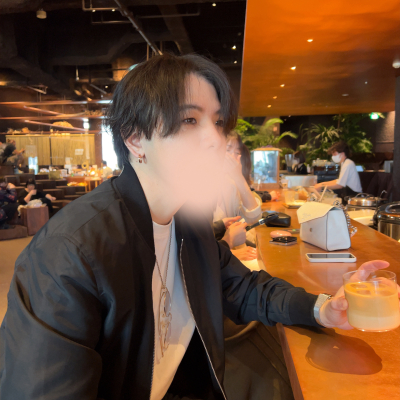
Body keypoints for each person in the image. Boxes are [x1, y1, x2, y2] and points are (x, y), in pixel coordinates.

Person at [0, 54, 392, 400]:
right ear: (135, 139)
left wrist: (323, 308)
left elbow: (242, 287)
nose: (215, 139)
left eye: (217, 122)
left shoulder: (189, 222)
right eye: (189, 120)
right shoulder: (68, 254)